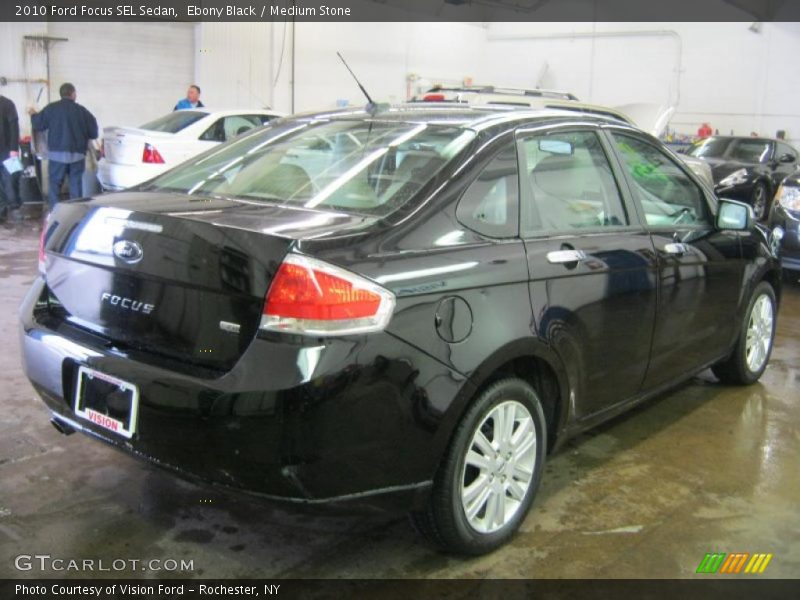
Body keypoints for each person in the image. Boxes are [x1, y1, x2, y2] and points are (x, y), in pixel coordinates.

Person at [29, 83, 98, 210]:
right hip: (77, 155)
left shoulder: (51, 109)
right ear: (73, 94)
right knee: (75, 185)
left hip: (57, 156)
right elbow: (94, 133)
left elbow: (38, 124)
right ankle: (75, 212)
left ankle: (56, 213)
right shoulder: (82, 111)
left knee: (54, 185)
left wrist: (33, 114)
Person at [0, 93, 20, 223]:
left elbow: (14, 127)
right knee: (9, 181)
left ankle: (13, 206)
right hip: (8, 150)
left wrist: (14, 148)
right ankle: (3, 209)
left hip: (8, 151)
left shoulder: (7, 104)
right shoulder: (8, 103)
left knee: (12, 180)